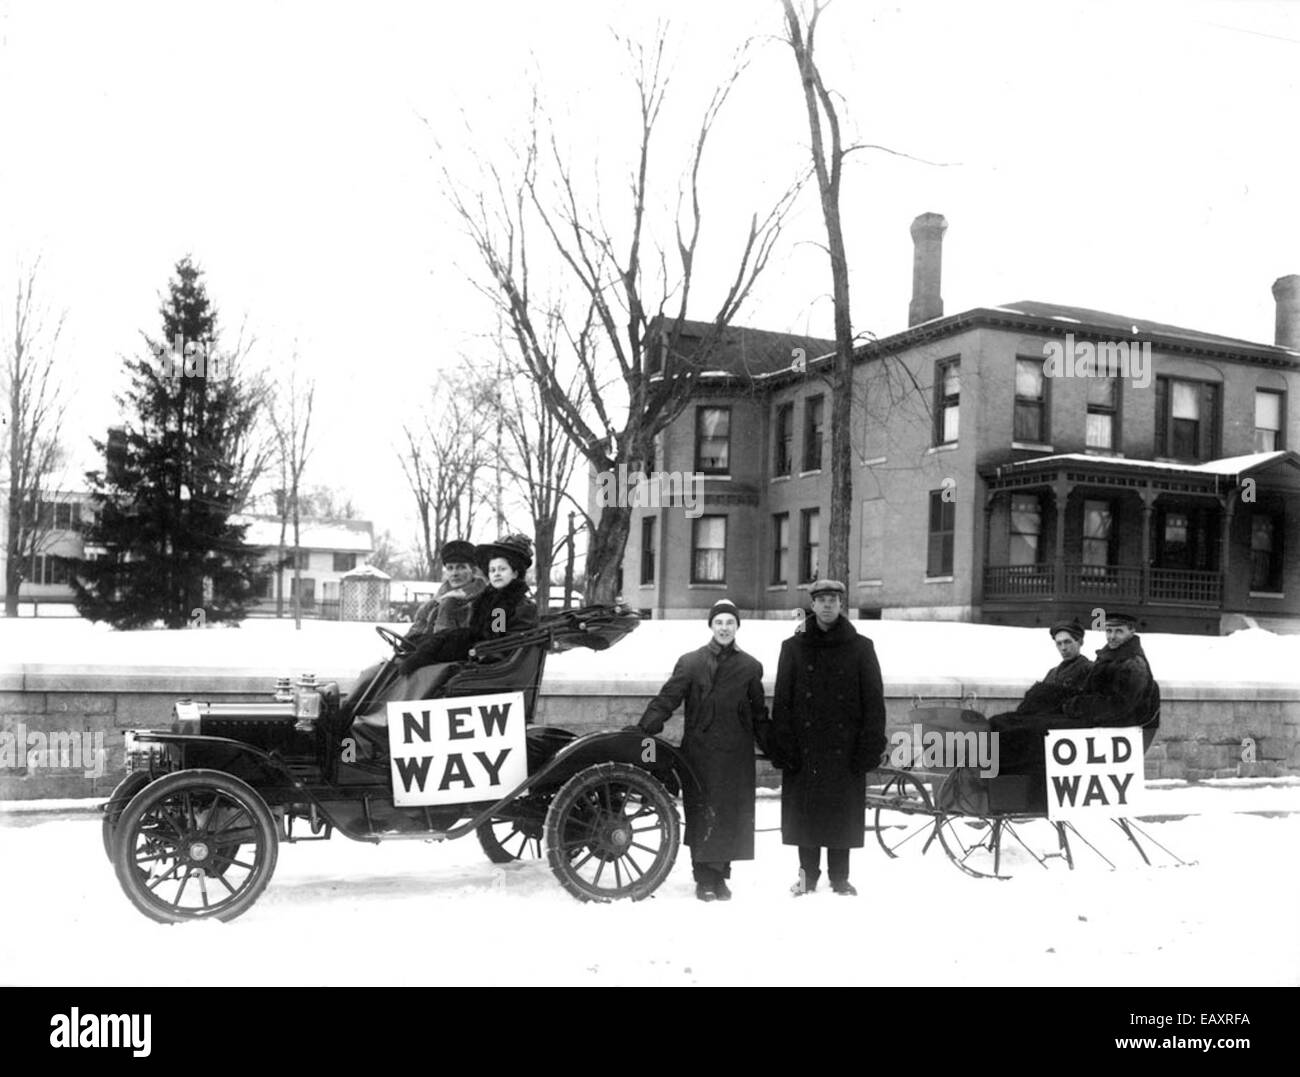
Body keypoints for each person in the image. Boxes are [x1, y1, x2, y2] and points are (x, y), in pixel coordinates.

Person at [635, 599, 769, 903]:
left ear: (737, 627)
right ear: (710, 626)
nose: (724, 628)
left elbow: (759, 714)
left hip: (736, 754)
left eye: (730, 623)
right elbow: (667, 699)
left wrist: (775, 747)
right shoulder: (691, 662)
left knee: (729, 815)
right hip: (700, 753)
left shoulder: (750, 667)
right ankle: (703, 878)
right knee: (702, 813)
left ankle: (721, 877)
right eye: (719, 622)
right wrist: (644, 729)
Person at [769, 580, 887, 897]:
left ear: (841, 604)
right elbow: (782, 702)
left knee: (841, 815)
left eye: (833, 600)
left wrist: (869, 746)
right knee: (806, 816)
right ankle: (807, 876)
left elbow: (874, 702)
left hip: (844, 749)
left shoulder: (861, 647)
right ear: (813, 605)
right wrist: (783, 745)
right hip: (804, 749)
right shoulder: (792, 648)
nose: (827, 606)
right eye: (821, 600)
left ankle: (840, 877)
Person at [990, 611, 1160, 780]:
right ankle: (986, 757)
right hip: (1093, 715)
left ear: (1131, 632)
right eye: (1109, 631)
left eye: (1118, 631)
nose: (1112, 636)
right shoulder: (1110, 656)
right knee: (1013, 720)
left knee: (1033, 730)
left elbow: (1119, 705)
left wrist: (1076, 705)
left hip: (1109, 723)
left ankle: (997, 769)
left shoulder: (1133, 664)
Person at [340, 539, 485, 718]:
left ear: (473, 570)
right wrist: (408, 645)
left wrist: (421, 651)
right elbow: (417, 630)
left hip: (444, 661)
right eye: (450, 568)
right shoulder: (438, 599)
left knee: (395, 686)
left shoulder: (476, 600)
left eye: (461, 567)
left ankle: (376, 725)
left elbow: (458, 638)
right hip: (421, 653)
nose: (455, 573)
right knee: (370, 675)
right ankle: (345, 718)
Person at [397, 533, 538, 671]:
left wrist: (477, 652)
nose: (496, 574)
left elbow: (495, 637)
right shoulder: (489, 600)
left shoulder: (502, 605)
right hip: (475, 649)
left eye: (502, 569)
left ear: (515, 573)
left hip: (484, 658)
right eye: (492, 570)